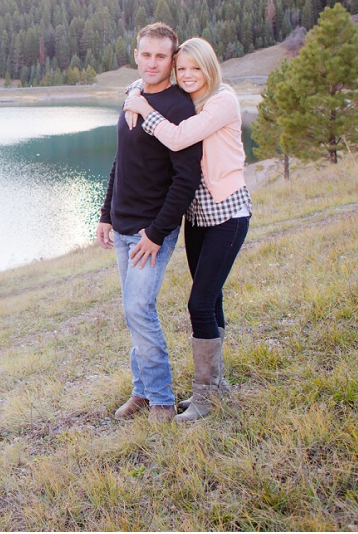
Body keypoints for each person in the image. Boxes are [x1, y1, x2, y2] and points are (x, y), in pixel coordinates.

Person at [123, 37, 251, 423]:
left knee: (199, 303)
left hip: (227, 215)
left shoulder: (222, 101)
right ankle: (218, 384)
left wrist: (142, 107)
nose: (188, 75)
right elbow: (145, 84)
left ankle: (205, 398)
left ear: (210, 67)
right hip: (196, 217)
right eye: (183, 69)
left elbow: (178, 137)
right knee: (211, 301)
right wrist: (134, 91)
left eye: (196, 68)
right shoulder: (190, 101)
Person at [97, 23, 202, 424]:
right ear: (136, 54)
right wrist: (106, 214)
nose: (153, 62)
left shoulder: (178, 107)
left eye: (162, 56)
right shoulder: (132, 96)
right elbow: (120, 161)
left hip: (150, 230)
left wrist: (157, 233)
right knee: (132, 310)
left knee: (140, 308)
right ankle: (142, 392)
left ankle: (161, 400)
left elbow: (186, 179)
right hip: (122, 224)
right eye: (146, 54)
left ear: (172, 58)